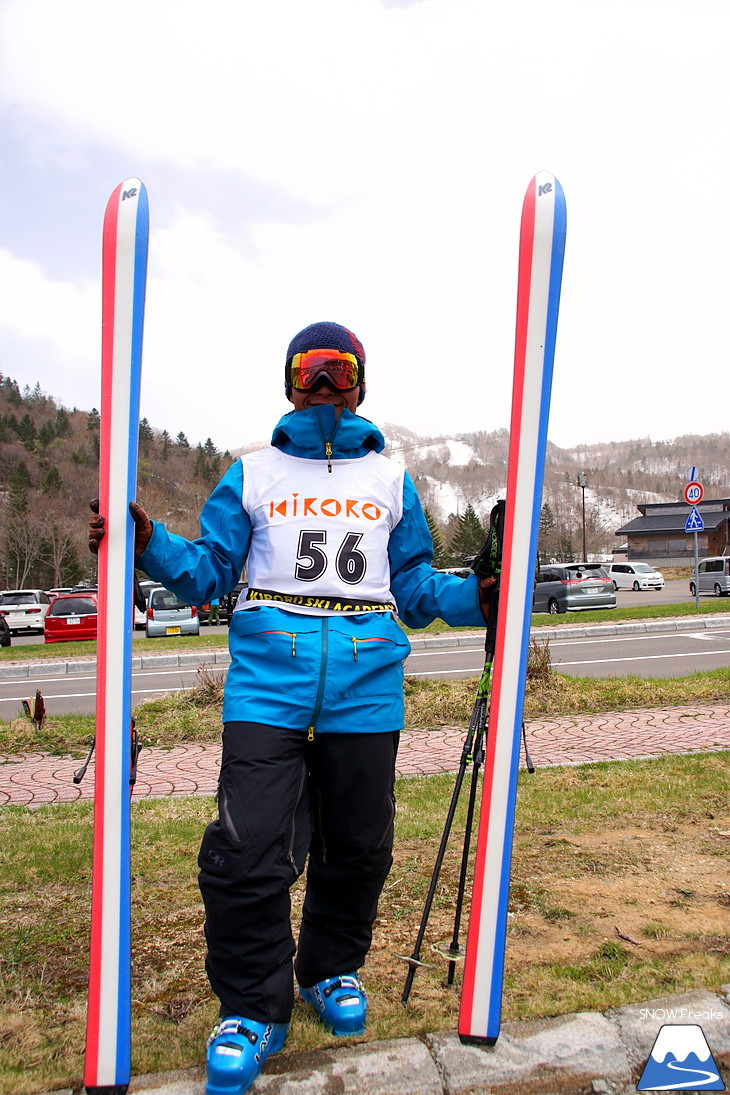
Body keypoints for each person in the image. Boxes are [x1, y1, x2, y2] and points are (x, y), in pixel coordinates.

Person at [89, 321, 494, 1095]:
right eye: (308, 370)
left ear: (362, 383)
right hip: (266, 691)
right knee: (246, 851)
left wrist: (476, 597)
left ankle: (329, 969)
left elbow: (412, 588)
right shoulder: (252, 474)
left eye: (339, 369)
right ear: (287, 384)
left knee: (360, 847)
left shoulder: (392, 479)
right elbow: (208, 572)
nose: (324, 385)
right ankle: (250, 1007)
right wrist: (146, 541)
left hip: (366, 691)